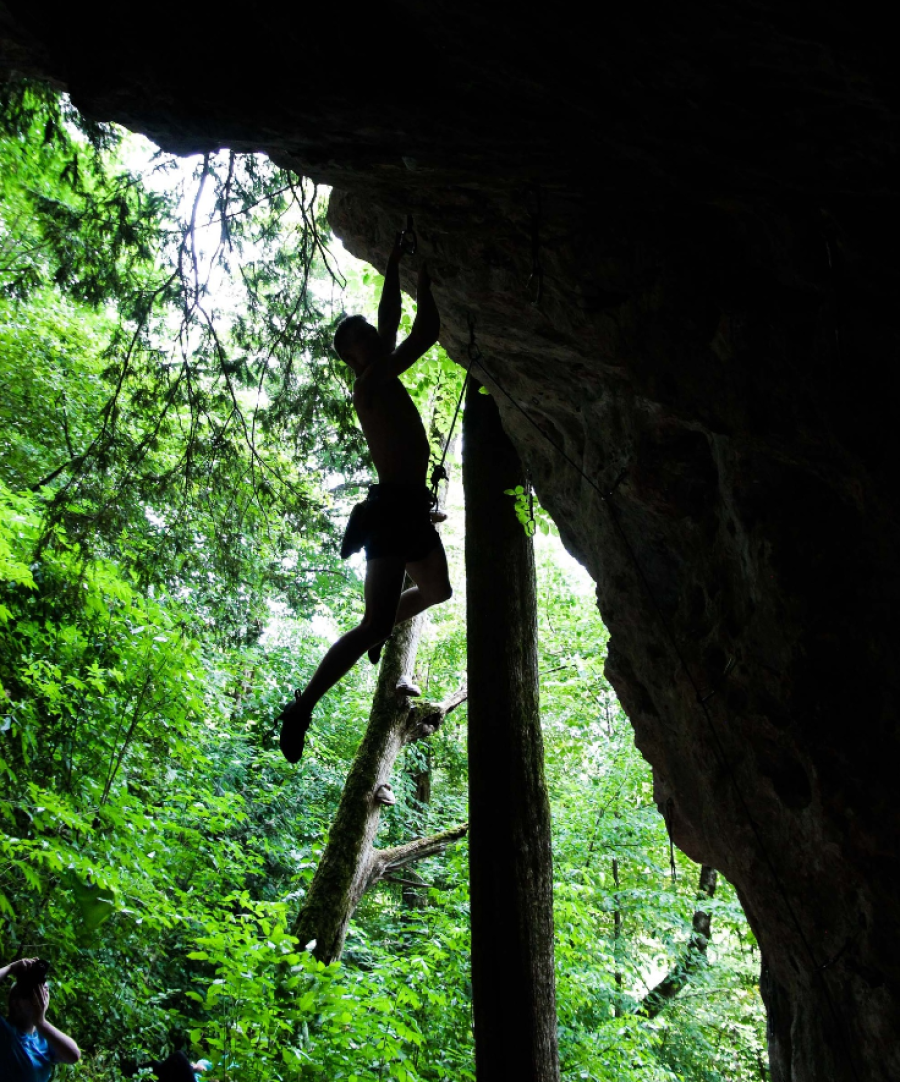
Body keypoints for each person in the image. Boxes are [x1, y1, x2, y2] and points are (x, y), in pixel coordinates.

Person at [277, 230, 452, 762]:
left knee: (438, 591)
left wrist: (408, 269)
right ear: (352, 358)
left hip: (411, 509)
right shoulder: (370, 383)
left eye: (370, 335)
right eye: (361, 340)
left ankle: (380, 630)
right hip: (392, 514)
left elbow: (408, 330)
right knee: (373, 622)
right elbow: (413, 329)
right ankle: (302, 706)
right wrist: (405, 266)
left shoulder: (384, 376)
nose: (373, 339)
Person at [0, 958, 81, 1081]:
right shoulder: (5, 1032)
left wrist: (41, 1022)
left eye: (42, 991)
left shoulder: (43, 1038)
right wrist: (11, 968)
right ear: (15, 1002)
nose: (38, 999)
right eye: (31, 994)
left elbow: (73, 1055)